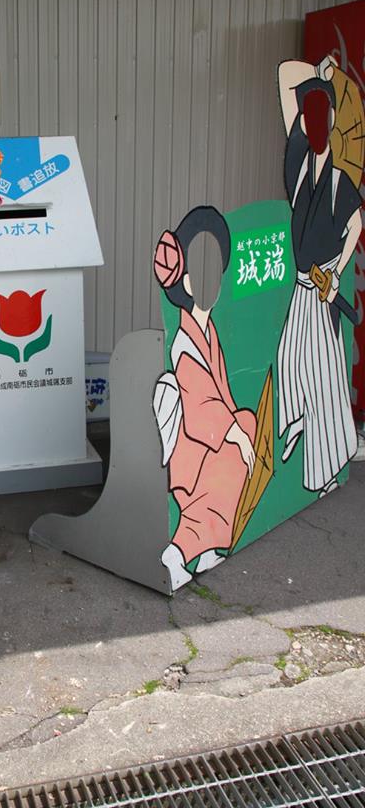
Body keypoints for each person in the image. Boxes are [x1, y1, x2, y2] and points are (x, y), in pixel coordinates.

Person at [153, 207, 256, 592]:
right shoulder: (185, 342)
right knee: (232, 450)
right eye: (204, 270)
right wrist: (235, 432)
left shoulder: (208, 330)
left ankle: (210, 547)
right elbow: (200, 407)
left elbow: (223, 396)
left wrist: (238, 427)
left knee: (245, 423)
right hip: (193, 444)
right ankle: (177, 553)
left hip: (212, 434)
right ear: (186, 279)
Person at [277, 56, 361, 495]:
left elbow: (356, 225)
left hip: (324, 286)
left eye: (319, 115)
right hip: (302, 284)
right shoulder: (299, 170)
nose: (312, 124)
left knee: (323, 375)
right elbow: (285, 78)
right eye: (308, 116)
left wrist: (338, 273)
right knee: (289, 356)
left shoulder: (339, 179)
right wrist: (320, 75)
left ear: (329, 121)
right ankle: (295, 420)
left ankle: (327, 464)